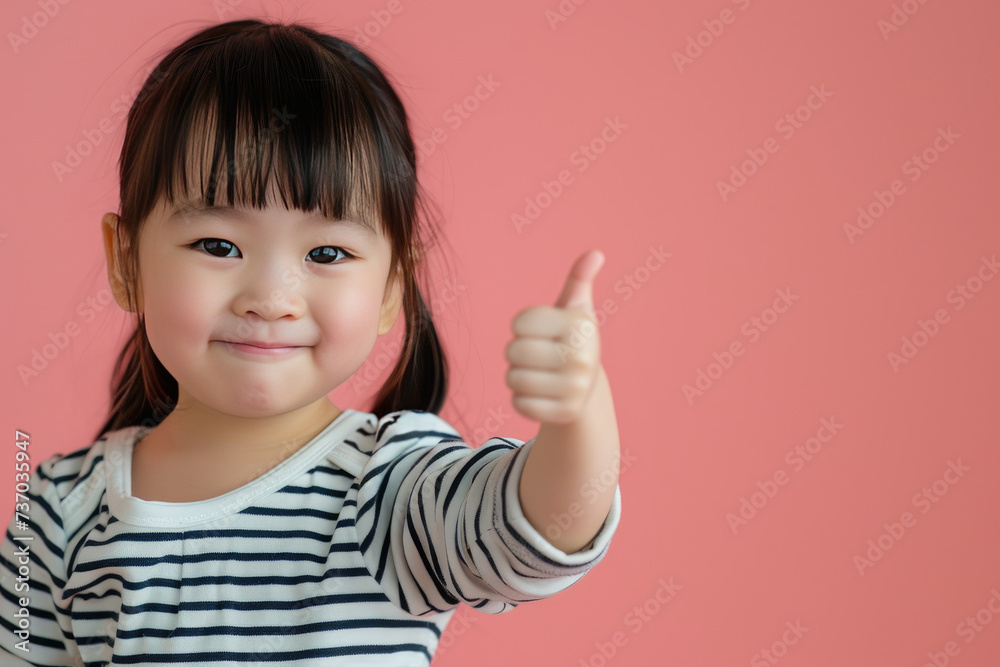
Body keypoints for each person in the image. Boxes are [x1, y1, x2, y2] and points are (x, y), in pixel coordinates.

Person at [0, 18, 622, 666]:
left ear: (389, 290)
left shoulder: (389, 487)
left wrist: (581, 414)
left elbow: (541, 530)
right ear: (126, 261)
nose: (271, 297)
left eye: (327, 251)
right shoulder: (57, 507)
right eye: (218, 245)